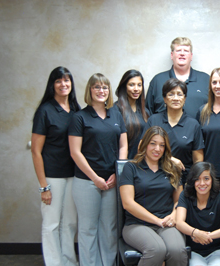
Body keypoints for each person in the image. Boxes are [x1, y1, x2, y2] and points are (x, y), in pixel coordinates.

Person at [68, 73, 128, 266]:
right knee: (87, 228)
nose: (101, 91)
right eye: (97, 87)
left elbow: (123, 146)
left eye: (104, 87)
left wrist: (116, 174)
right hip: (87, 181)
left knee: (109, 228)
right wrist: (95, 178)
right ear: (90, 90)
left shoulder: (116, 114)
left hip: (111, 181)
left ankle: (107, 263)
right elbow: (75, 152)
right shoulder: (79, 117)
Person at [31, 66, 80, 266]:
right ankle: (53, 262)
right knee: (51, 223)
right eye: (58, 81)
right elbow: (35, 150)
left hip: (74, 175)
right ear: (52, 85)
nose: (63, 84)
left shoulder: (76, 110)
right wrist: (43, 186)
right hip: (52, 176)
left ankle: (68, 261)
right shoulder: (45, 111)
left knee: (69, 222)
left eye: (67, 80)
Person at [119, 126, 187, 266]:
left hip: (166, 223)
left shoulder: (172, 169)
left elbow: (179, 201)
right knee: (156, 249)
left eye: (162, 145)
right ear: (144, 144)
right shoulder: (131, 168)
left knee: (177, 250)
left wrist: (173, 215)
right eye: (153, 143)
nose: (157, 149)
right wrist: (156, 220)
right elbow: (128, 203)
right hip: (137, 224)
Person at [176, 162, 220, 266]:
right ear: (192, 181)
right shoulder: (185, 195)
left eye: (206, 178)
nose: (202, 183)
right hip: (193, 251)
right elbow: (179, 222)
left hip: (217, 251)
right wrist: (196, 233)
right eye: (197, 179)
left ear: (212, 180)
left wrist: (208, 236)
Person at [143, 78, 204, 184]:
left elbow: (198, 160)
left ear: (185, 99)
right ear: (164, 98)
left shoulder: (193, 125)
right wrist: (169, 159)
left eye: (179, 94)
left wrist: (192, 182)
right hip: (154, 177)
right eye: (171, 94)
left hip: (183, 180)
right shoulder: (154, 120)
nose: (176, 98)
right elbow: (142, 148)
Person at [146, 37, 209, 118]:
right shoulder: (158, 81)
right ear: (172, 55)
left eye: (186, 51)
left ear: (191, 56)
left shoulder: (205, 80)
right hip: (163, 130)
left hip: (197, 130)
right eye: (178, 50)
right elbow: (147, 114)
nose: (182, 53)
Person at [115, 70, 149, 159]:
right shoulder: (115, 110)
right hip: (122, 162)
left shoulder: (145, 112)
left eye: (139, 85)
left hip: (141, 164)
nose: (136, 89)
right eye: (131, 85)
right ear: (124, 86)